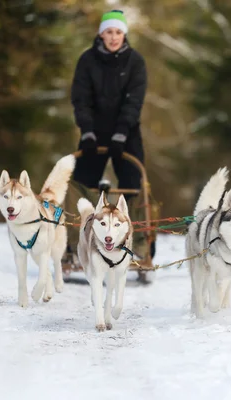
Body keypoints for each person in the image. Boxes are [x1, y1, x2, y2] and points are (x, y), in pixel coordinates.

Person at [64, 9, 149, 265]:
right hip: (94, 132)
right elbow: (81, 99)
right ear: (101, 34)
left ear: (124, 35)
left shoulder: (135, 62)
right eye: (109, 32)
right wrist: (87, 132)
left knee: (134, 184)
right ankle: (77, 244)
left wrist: (122, 133)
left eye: (118, 32)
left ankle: (138, 246)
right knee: (81, 184)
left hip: (127, 132)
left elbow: (134, 101)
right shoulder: (87, 61)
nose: (114, 37)